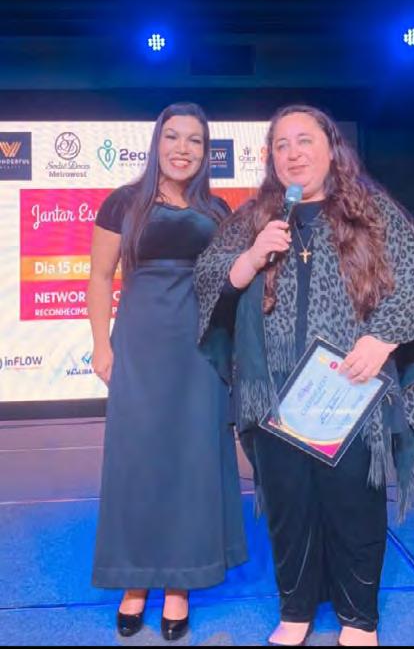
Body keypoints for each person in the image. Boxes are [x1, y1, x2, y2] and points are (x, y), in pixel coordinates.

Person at [195, 105, 414, 647]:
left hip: (351, 389)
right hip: (274, 393)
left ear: (332, 149)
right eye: (281, 145)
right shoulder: (253, 219)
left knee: (353, 504)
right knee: (288, 506)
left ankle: (360, 620)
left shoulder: (372, 214)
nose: (293, 154)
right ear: (271, 157)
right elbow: (209, 276)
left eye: (304, 141)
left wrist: (382, 337)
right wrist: (250, 258)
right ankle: (295, 611)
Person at [88, 102, 247, 641]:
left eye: (195, 140)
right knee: (136, 459)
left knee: (192, 460)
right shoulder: (123, 203)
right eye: (173, 137)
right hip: (139, 345)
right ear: (157, 143)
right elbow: (99, 276)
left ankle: (180, 583)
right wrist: (100, 345)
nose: (183, 149)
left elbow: (233, 281)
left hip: (200, 349)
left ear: (206, 151)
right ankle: (135, 580)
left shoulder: (217, 209)